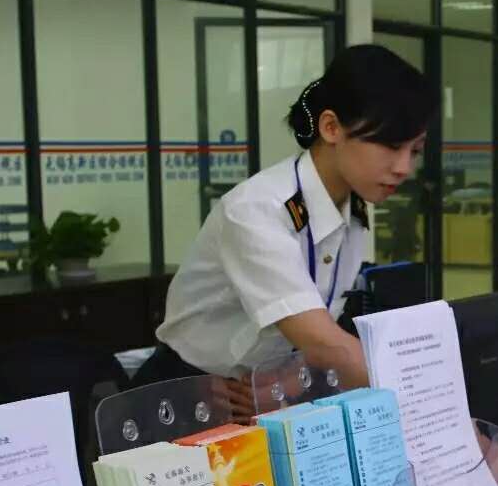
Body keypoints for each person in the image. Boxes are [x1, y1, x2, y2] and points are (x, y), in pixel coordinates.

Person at [137, 45, 439, 402]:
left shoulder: (350, 210)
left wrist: (286, 388)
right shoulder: (258, 210)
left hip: (260, 393)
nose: (404, 168)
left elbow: (319, 338)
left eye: (414, 151)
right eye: (389, 146)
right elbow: (327, 346)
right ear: (331, 127)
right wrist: (432, 407)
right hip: (188, 392)